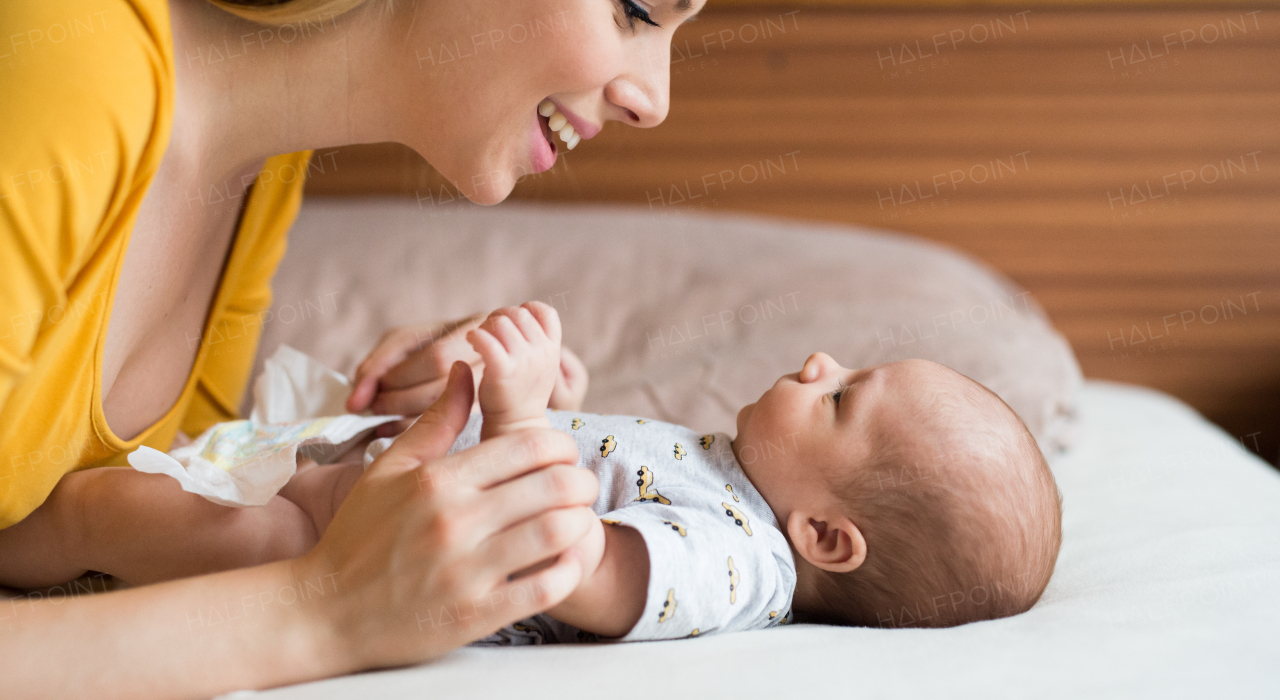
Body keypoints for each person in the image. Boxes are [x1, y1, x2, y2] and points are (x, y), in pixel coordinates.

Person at [0, 0, 805, 695]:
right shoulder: (61, 48)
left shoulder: (256, 175)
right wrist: (328, 612)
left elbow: (96, 544)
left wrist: (351, 453)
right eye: (636, 7)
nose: (656, 99)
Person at [98, 301, 1063, 640]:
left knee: (115, 512)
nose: (819, 365)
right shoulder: (730, 483)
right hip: (365, 478)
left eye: (843, 399)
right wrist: (561, 396)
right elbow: (610, 478)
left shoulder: (739, 568)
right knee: (154, 480)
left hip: (346, 545)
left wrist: (521, 415)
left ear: (824, 538)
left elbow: (566, 558)